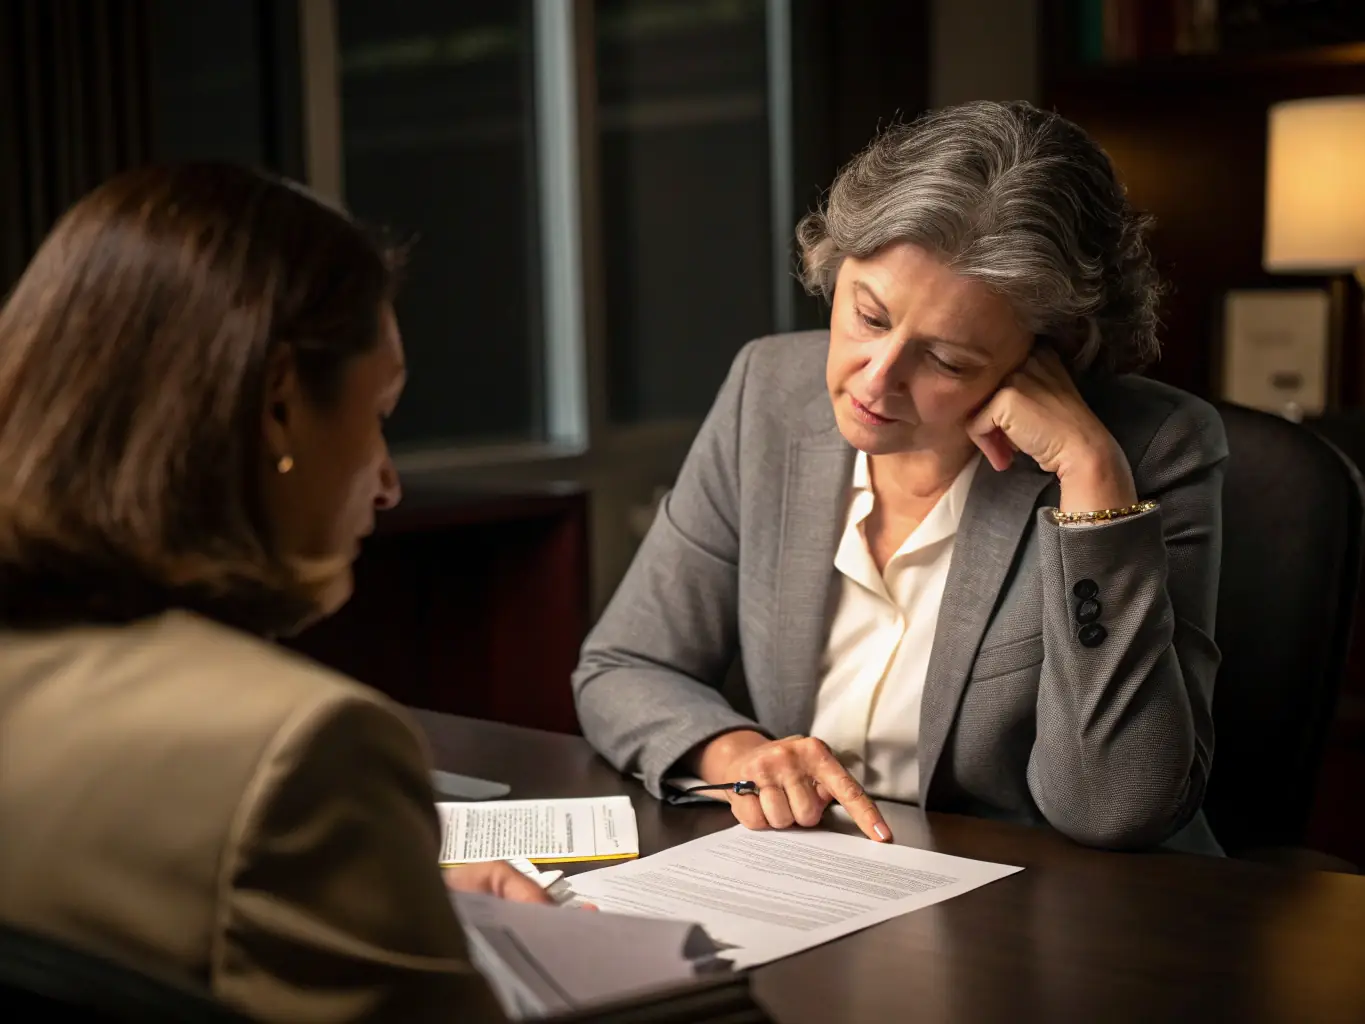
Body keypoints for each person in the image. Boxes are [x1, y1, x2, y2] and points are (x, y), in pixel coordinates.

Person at [573, 100, 1225, 856]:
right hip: (814, 879)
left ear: (1052, 354)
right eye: (869, 317)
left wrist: (1091, 479)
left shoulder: (1149, 450)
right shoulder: (769, 392)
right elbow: (623, 665)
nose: (876, 382)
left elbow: (1112, 807)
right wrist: (740, 755)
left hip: (1046, 913)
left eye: (946, 359)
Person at [0, 163, 548, 1021]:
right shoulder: (305, 751)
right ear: (281, 406)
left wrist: (384, 893)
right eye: (380, 414)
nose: (388, 483)